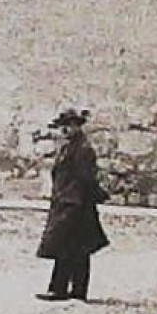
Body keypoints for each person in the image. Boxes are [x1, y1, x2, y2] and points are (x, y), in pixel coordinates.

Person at [35, 107, 110, 302]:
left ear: (78, 126)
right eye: (63, 126)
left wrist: (92, 196)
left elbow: (86, 178)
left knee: (69, 246)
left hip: (76, 204)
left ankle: (64, 289)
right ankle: (74, 290)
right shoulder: (69, 147)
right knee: (75, 247)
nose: (66, 129)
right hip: (68, 202)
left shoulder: (83, 149)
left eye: (70, 125)